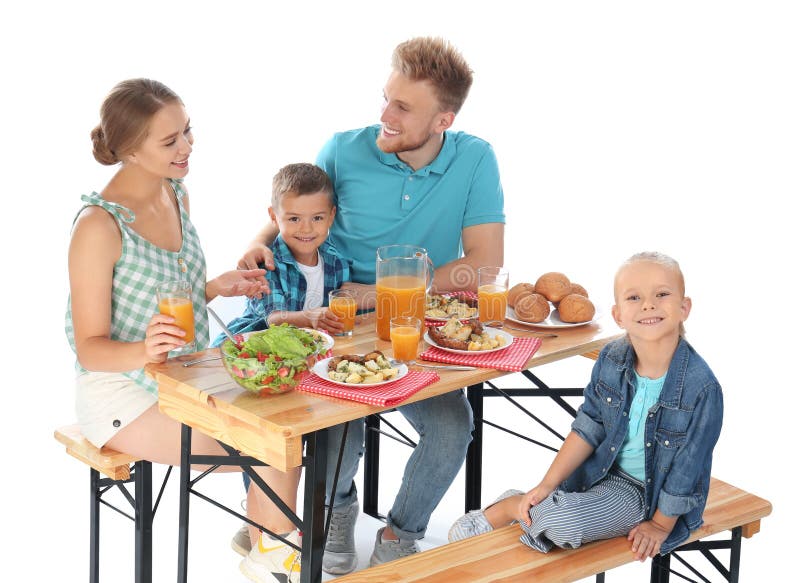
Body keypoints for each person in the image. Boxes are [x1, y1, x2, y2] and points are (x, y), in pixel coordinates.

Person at [237, 37, 505, 573]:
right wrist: (257, 243)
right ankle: (336, 513)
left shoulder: (475, 159)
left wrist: (385, 294)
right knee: (343, 421)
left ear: (443, 120)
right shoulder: (343, 150)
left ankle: (401, 533)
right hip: (336, 323)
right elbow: (297, 207)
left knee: (453, 427)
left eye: (402, 107)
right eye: (386, 97)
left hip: (414, 328)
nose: (384, 115)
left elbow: (484, 264)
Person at [65, 79, 304, 583]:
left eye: (188, 132)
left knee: (285, 424)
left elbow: (174, 297)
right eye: (170, 140)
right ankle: (275, 553)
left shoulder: (175, 193)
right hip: (122, 393)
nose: (187, 147)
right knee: (267, 445)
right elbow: (90, 349)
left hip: (182, 375)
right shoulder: (98, 227)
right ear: (131, 149)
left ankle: (268, 542)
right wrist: (144, 348)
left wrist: (214, 287)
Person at [448, 252, 724, 562]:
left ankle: (512, 507)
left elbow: (687, 469)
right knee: (558, 508)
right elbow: (588, 427)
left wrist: (660, 525)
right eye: (634, 297)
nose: (648, 305)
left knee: (564, 524)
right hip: (598, 469)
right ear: (618, 315)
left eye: (661, 294)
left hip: (645, 495)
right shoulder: (612, 358)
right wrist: (546, 485)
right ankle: (536, 504)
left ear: (684, 308)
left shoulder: (701, 388)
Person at [212, 162, 351, 345]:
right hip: (250, 346)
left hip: (303, 350)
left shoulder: (336, 262)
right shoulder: (266, 264)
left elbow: (340, 308)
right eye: (294, 219)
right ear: (273, 217)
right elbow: (274, 319)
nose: (306, 229)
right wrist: (309, 317)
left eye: (317, 218)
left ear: (331, 216)